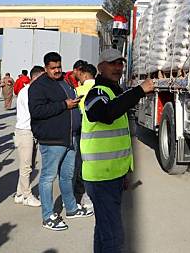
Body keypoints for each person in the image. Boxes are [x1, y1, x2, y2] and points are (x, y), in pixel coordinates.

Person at [81, 48, 154, 252]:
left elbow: (119, 138)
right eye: (112, 63)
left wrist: (125, 172)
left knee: (104, 230)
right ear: (100, 67)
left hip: (113, 175)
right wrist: (139, 90)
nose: (117, 68)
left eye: (120, 63)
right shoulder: (96, 93)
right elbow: (105, 113)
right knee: (114, 236)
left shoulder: (114, 92)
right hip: (99, 178)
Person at [29, 52, 93, 231]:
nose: (57, 70)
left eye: (59, 66)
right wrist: (64, 105)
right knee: (48, 177)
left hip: (70, 138)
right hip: (52, 140)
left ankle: (71, 208)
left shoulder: (64, 81)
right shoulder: (38, 86)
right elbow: (37, 111)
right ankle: (48, 215)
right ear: (46, 67)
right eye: (53, 68)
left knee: (68, 176)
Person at [13, 65, 44, 207]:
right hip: (25, 131)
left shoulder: (27, 91)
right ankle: (27, 195)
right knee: (26, 166)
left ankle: (20, 193)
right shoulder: (29, 92)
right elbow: (35, 113)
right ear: (36, 77)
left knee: (28, 165)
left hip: (28, 131)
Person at [73, 63, 97, 207]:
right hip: (99, 138)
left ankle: (85, 198)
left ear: (85, 74)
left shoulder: (78, 91)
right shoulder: (101, 89)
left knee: (82, 167)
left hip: (83, 136)